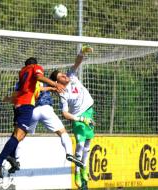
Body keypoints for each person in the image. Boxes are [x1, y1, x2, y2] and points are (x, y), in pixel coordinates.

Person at [0, 57, 63, 178]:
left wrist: (50, 88)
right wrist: (55, 83)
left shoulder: (23, 72)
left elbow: (34, 88)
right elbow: (39, 77)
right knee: (19, 135)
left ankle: (12, 158)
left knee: (19, 134)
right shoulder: (36, 68)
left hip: (18, 105)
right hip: (26, 106)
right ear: (35, 65)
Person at [3, 81, 84, 174]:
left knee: (20, 136)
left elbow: (17, 98)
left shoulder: (22, 83)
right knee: (62, 132)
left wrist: (8, 99)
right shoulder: (46, 81)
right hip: (46, 109)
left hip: (32, 111)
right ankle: (69, 153)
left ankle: (16, 161)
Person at [50, 45, 95, 188]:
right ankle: (77, 171)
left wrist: (82, 51)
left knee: (88, 144)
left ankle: (84, 168)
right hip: (79, 117)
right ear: (58, 82)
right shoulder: (63, 93)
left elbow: (77, 62)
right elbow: (65, 113)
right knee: (80, 144)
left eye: (63, 74)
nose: (64, 76)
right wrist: (81, 119)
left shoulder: (72, 75)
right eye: (60, 77)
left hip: (89, 110)